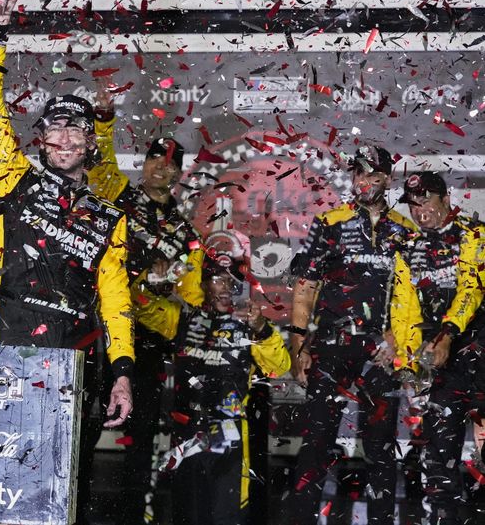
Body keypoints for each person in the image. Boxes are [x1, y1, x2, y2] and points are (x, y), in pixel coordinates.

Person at [0, 0, 134, 519]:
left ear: (91, 142)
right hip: (7, 357)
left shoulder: (110, 217)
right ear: (40, 139)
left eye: (76, 129)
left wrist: (122, 373)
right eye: (54, 128)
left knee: (66, 494)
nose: (64, 137)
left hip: (75, 365)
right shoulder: (15, 181)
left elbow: (116, 303)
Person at [285, 145, 423, 525]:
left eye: (373, 174)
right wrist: (298, 346)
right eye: (359, 173)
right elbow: (305, 287)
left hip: (380, 353)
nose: (365, 181)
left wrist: (397, 339)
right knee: (316, 446)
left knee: (380, 451)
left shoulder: (405, 230)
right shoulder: (329, 222)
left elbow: (414, 297)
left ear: (387, 179)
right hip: (331, 348)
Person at [87, 89, 204, 525]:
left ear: (178, 173)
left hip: (149, 343)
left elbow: (191, 301)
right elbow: (99, 164)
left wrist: (163, 291)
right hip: (100, 331)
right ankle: (72, 507)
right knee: (85, 422)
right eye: (156, 158)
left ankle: (133, 514)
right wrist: (103, 120)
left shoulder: (186, 231)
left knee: (141, 433)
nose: (161, 167)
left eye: (170, 163)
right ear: (146, 163)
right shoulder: (118, 194)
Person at [140, 253, 289, 525]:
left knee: (226, 516)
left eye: (230, 281)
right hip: (186, 431)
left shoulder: (248, 323)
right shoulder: (182, 318)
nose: (225, 287)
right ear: (204, 284)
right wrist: (151, 281)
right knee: (187, 514)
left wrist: (261, 329)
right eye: (218, 280)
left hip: (229, 435)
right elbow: (141, 306)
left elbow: (279, 367)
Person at [398, 172, 485, 525]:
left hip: (480, 356)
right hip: (443, 366)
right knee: (437, 463)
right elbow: (405, 308)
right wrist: (409, 364)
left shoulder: (474, 234)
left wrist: (448, 333)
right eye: (413, 205)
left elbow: (471, 289)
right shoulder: (408, 247)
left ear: (446, 199)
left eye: (426, 201)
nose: (420, 211)